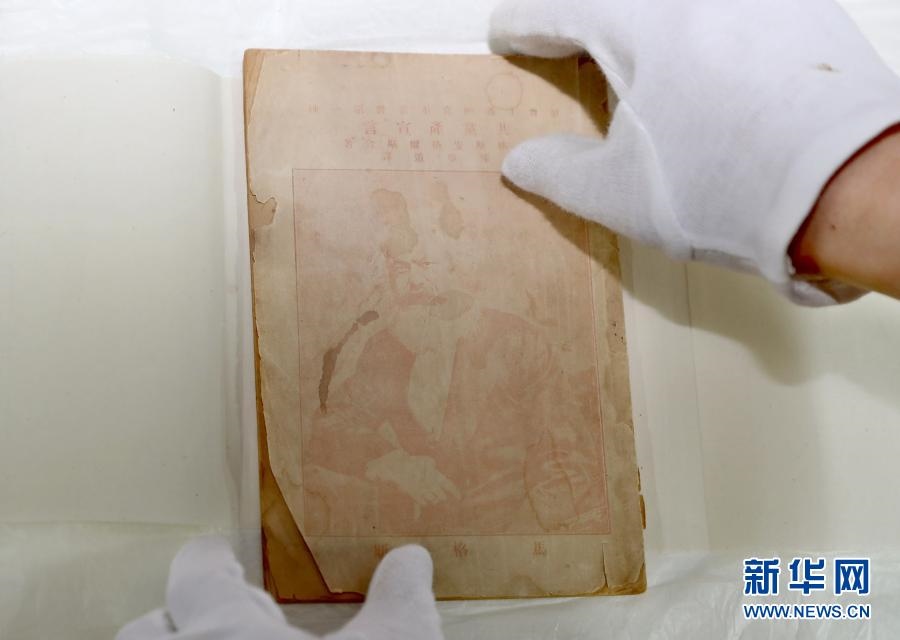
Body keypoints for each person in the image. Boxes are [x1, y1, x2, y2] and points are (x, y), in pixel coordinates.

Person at [116, 0, 900, 638]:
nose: (401, 261)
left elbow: (562, 475)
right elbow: (332, 446)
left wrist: (852, 185)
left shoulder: (518, 342)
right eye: (388, 245)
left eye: (416, 239)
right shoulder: (363, 351)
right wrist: (856, 187)